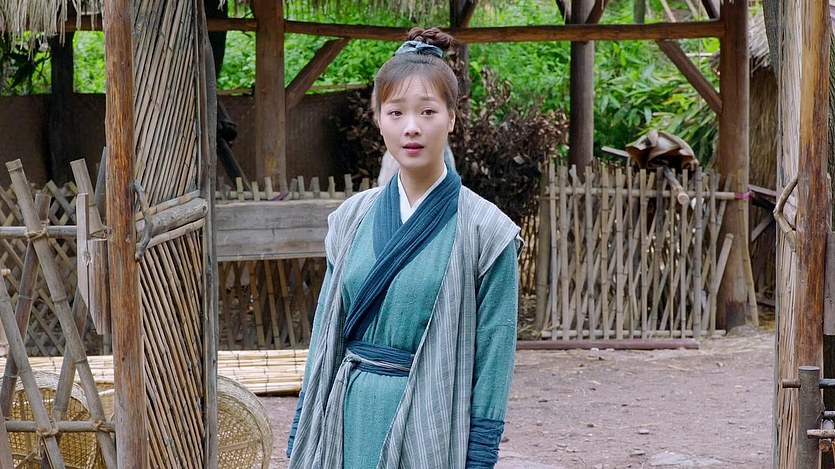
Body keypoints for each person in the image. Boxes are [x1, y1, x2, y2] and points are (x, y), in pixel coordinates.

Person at [287, 26, 521, 469]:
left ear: (451, 118)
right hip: (346, 419)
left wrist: (480, 455)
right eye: (395, 112)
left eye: (428, 111)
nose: (411, 127)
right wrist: (304, 426)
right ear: (378, 118)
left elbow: (494, 356)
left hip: (431, 425)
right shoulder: (350, 220)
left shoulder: (487, 232)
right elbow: (324, 335)